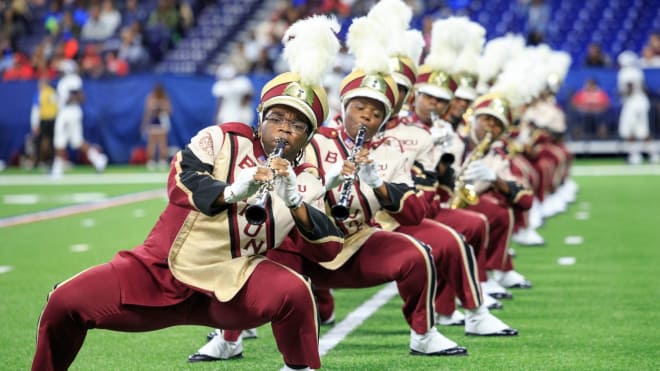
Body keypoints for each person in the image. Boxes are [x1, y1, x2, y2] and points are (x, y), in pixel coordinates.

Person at [32, 15, 344, 371]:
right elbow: (179, 181)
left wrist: (294, 202)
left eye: (297, 124)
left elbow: (330, 247)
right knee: (64, 302)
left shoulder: (307, 177)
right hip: (161, 268)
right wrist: (233, 190)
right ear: (261, 116)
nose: (285, 130)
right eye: (278, 118)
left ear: (309, 136)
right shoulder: (223, 137)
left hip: (232, 282)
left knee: (295, 292)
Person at [190, 15, 469, 363]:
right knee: (245, 251)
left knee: (416, 254)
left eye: (375, 112)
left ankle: (424, 335)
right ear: (345, 106)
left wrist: (377, 184)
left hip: (355, 238)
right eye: (360, 107)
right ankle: (228, 338)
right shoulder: (312, 140)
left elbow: (412, 213)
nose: (366, 117)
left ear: (385, 117)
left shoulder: (395, 148)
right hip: (303, 243)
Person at [51, 60, 108, 177]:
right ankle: (98, 159)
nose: (59, 72)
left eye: (62, 70)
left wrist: (61, 100)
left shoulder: (72, 80)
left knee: (60, 139)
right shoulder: (65, 81)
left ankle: (57, 168)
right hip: (70, 112)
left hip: (68, 112)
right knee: (77, 141)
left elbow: (78, 96)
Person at [617, 51, 656, 164]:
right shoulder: (638, 71)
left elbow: (630, 87)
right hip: (642, 101)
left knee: (628, 130)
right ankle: (653, 155)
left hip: (632, 103)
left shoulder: (625, 72)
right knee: (643, 130)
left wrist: (622, 93)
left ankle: (635, 156)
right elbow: (643, 87)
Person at [30, 76, 58, 169]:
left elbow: (36, 109)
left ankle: (39, 161)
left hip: (44, 119)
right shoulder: (53, 92)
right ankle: (52, 161)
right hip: (53, 120)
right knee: (51, 142)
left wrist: (35, 124)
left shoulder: (40, 93)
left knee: (40, 141)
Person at [142, 83, 172, 170]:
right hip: (153, 123)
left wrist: (161, 106)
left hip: (162, 122)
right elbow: (147, 112)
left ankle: (162, 160)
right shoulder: (150, 98)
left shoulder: (165, 98)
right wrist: (144, 124)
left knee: (162, 143)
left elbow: (169, 111)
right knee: (152, 143)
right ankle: (151, 161)